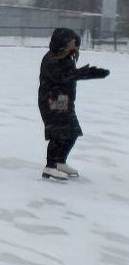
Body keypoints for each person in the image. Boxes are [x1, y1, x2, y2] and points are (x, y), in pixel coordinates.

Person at [38, 28, 109, 180]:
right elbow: (62, 77)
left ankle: (60, 162)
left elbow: (70, 75)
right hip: (51, 100)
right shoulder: (51, 58)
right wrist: (87, 73)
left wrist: (88, 73)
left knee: (72, 132)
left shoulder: (67, 57)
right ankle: (50, 166)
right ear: (62, 42)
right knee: (58, 133)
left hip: (63, 100)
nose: (75, 44)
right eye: (72, 41)